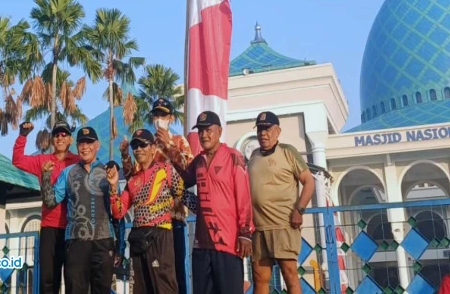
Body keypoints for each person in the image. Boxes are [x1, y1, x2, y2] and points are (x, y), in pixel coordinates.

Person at [119, 98, 194, 294]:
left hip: (173, 220)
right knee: (146, 283)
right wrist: (126, 156)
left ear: (170, 118)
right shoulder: (145, 143)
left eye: (163, 115)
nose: (159, 119)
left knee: (172, 275)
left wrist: (169, 145)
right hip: (145, 225)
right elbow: (132, 180)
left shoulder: (179, 141)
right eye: (156, 115)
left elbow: (189, 173)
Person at [178, 111, 254, 294]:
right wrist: (167, 150)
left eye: (208, 130)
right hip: (201, 245)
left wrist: (245, 233)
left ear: (219, 131)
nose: (204, 135)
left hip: (227, 243)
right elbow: (180, 184)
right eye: (201, 131)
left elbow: (243, 196)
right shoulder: (198, 161)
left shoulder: (233, 156)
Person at [40, 126, 117, 294]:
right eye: (81, 143)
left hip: (103, 241)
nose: (85, 147)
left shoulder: (108, 172)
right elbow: (51, 201)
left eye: (89, 142)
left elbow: (117, 212)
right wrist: (46, 177)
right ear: (77, 147)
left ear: (97, 145)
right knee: (75, 289)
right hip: (76, 242)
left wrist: (119, 247)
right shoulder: (68, 173)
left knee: (103, 290)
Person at [246, 111, 316, 294]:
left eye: (267, 129)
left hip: (284, 224)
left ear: (277, 131)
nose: (263, 133)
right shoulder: (253, 155)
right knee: (260, 276)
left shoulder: (288, 151)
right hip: (259, 227)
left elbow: (309, 182)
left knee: (289, 273)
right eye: (260, 129)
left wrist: (299, 210)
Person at [11, 120, 79, 294]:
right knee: (48, 280)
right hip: (49, 227)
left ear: (70, 139)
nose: (60, 138)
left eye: (64, 134)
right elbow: (18, 161)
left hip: (75, 229)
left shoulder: (78, 162)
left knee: (74, 279)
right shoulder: (43, 160)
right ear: (52, 140)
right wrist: (22, 136)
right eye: (56, 135)